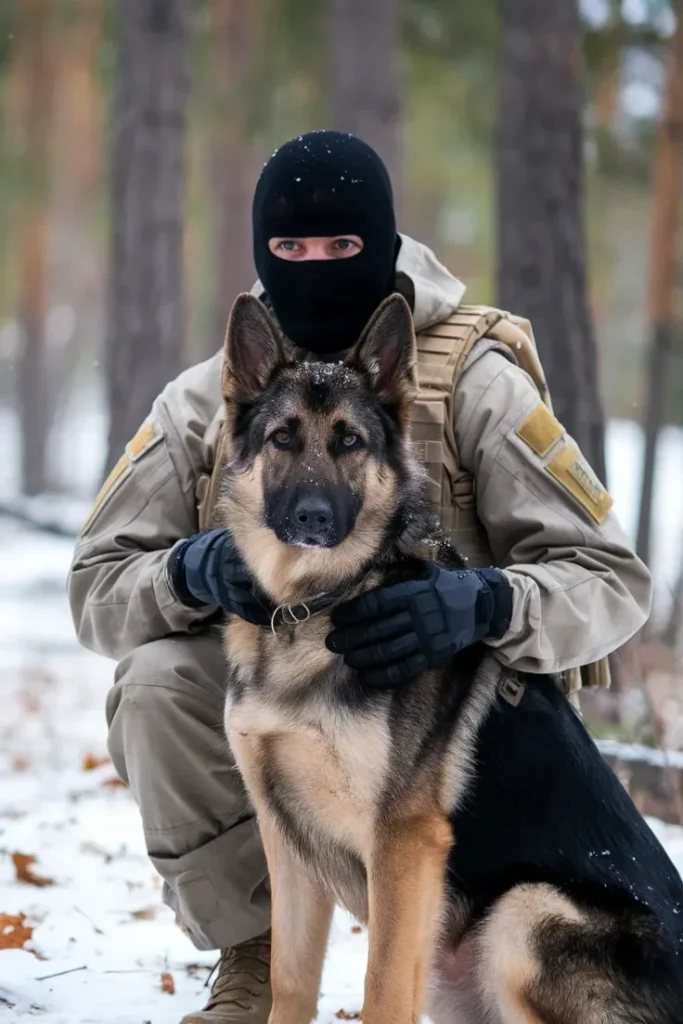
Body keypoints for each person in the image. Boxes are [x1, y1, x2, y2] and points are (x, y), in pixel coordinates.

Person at [68, 131, 652, 1024]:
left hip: (460, 738)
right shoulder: (205, 398)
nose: (314, 267)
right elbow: (96, 591)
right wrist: (188, 571)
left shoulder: (473, 377)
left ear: (379, 246)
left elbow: (613, 579)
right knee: (152, 683)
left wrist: (488, 601)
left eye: (340, 246)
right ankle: (256, 962)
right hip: (279, 676)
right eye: (289, 248)